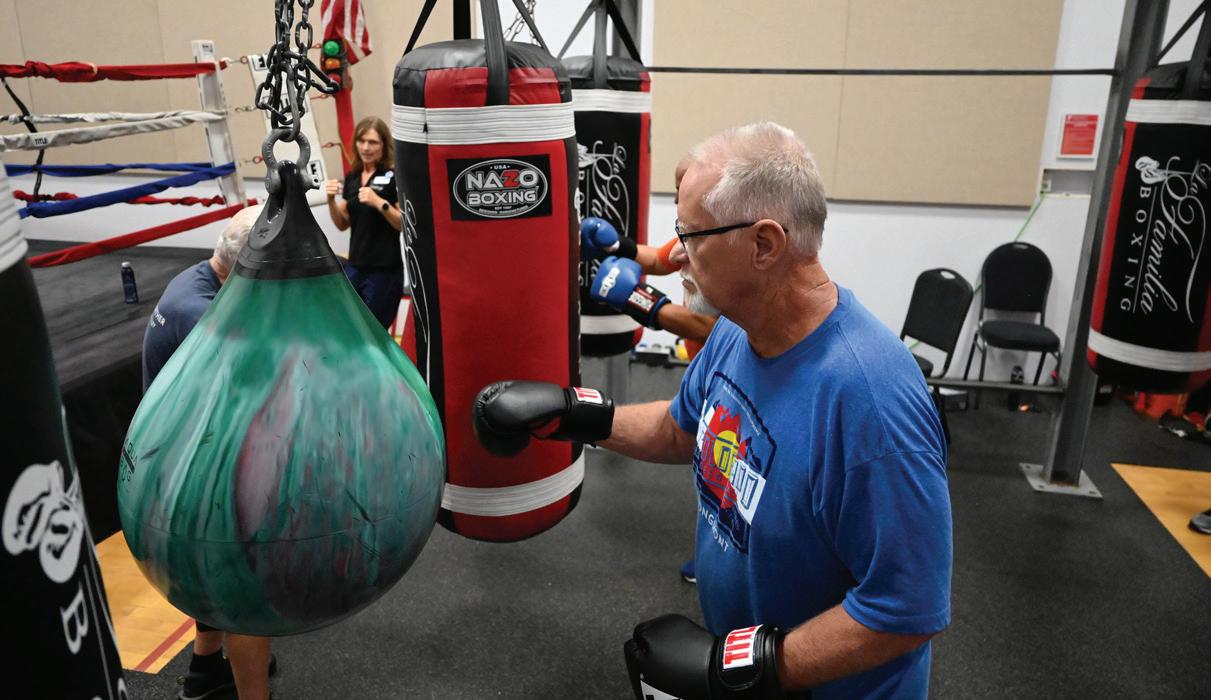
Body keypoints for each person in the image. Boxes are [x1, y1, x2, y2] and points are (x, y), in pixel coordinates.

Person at [473, 122, 952, 698]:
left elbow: (906, 608)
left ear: (763, 245)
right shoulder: (736, 330)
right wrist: (576, 415)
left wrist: (743, 667)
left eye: (691, 235)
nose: (675, 255)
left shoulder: (870, 402)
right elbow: (681, 429)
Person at [142, 204, 278, 700]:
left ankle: (204, 672)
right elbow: (253, 392)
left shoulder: (197, 279)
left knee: (212, 575)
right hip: (192, 464)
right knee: (246, 593)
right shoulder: (201, 314)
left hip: (176, 452)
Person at [584, 158, 717, 585]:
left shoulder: (724, 243)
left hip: (732, 365)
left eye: (686, 190)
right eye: (677, 192)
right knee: (707, 455)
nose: (679, 199)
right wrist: (615, 246)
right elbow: (659, 260)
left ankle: (721, 557)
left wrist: (642, 303)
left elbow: (714, 328)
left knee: (720, 459)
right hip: (703, 366)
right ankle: (715, 548)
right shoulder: (692, 233)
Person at [324, 116, 403, 329]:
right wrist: (330, 201)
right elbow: (342, 224)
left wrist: (379, 203)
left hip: (384, 270)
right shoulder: (353, 177)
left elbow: (403, 224)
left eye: (373, 142)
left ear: (384, 145)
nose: (366, 147)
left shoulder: (394, 176)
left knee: (373, 331)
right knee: (348, 327)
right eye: (362, 141)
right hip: (356, 267)